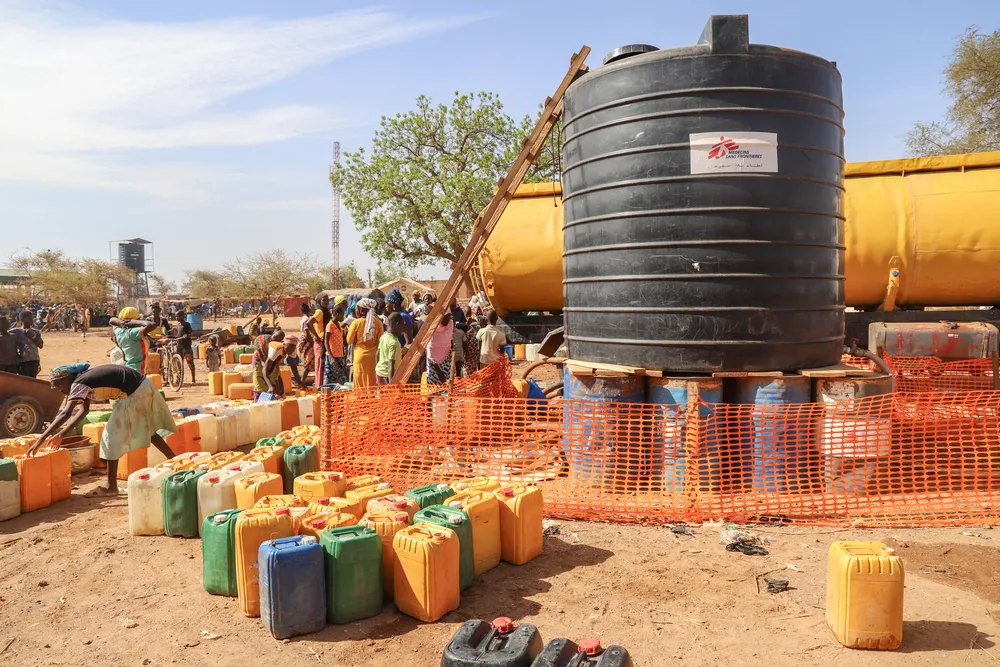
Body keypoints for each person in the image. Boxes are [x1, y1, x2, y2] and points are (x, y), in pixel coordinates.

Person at [30, 363, 176, 496]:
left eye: (59, 386)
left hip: (134, 391)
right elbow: (83, 411)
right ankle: (174, 460)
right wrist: (61, 434)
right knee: (147, 430)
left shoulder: (78, 383)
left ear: (66, 379)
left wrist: (42, 439)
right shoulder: (84, 381)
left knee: (110, 437)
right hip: (141, 387)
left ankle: (111, 486)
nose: (61, 391)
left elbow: (66, 413)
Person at [109, 304, 161, 373]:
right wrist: (133, 322)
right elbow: (152, 325)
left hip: (128, 370)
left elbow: (111, 320)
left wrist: (121, 322)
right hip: (137, 372)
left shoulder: (119, 332)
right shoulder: (133, 333)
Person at [346, 297, 383, 389]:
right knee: (371, 382)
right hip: (372, 358)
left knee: (359, 382)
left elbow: (349, 340)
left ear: (361, 310)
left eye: (357, 309)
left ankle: (360, 401)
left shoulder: (356, 323)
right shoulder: (378, 323)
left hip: (359, 356)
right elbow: (380, 340)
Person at [251, 333, 301, 400]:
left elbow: (293, 367)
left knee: (276, 381)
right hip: (259, 359)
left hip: (273, 361)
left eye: (292, 348)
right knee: (259, 383)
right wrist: (270, 386)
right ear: (284, 344)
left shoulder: (292, 350)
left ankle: (280, 403)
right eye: (288, 347)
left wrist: (299, 382)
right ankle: (259, 403)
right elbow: (264, 370)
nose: (290, 350)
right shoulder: (276, 349)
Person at [306, 294, 331, 386]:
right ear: (319, 301)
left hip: (325, 342)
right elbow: (308, 323)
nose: (326, 302)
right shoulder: (320, 312)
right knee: (320, 365)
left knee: (324, 365)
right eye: (324, 300)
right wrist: (316, 336)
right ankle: (319, 386)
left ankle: (323, 386)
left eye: (327, 300)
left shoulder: (326, 311)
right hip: (320, 342)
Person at [324, 298, 349, 385]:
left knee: (341, 379)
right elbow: (326, 342)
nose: (343, 317)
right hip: (332, 356)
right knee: (329, 378)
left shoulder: (339, 325)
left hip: (340, 356)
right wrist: (331, 357)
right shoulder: (330, 325)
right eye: (342, 314)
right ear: (337, 314)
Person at [426, 311, 454, 384]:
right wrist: (438, 370)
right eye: (445, 318)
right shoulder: (432, 326)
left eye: (449, 318)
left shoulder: (451, 323)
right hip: (433, 358)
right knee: (433, 381)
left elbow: (450, 338)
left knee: (447, 381)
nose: (447, 320)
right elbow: (430, 351)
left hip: (446, 355)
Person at [376, 313, 405, 385]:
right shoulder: (393, 342)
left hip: (379, 373)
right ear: (397, 325)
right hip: (387, 376)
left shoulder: (383, 336)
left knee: (382, 395)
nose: (402, 330)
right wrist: (392, 384)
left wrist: (378, 368)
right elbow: (391, 363)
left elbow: (377, 354)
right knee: (389, 395)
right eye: (402, 327)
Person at [13, 311, 43, 378]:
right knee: (24, 380)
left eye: (32, 319)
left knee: (33, 379)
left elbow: (40, 346)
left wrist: (33, 336)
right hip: (23, 361)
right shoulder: (16, 332)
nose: (31, 321)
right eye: (29, 319)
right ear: (22, 320)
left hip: (34, 360)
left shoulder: (36, 332)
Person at [297, 301, 314, 386]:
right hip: (308, 342)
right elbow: (307, 333)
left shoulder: (303, 318)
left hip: (304, 341)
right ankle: (302, 382)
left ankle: (301, 381)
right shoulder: (306, 319)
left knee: (308, 362)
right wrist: (312, 341)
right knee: (308, 363)